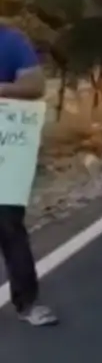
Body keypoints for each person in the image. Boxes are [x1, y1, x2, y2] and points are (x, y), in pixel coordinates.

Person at [0, 25, 58, 325]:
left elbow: (35, 85)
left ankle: (27, 304)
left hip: (4, 157)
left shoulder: (11, 41)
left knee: (9, 227)